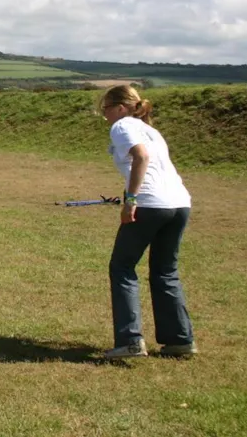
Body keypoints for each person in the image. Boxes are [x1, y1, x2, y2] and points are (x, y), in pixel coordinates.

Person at [100, 85, 197, 358]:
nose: (104, 114)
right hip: (179, 204)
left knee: (122, 267)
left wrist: (131, 199)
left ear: (120, 108)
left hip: (150, 204)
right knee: (166, 271)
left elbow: (140, 157)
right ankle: (180, 340)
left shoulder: (122, 126)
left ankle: (130, 341)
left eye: (106, 108)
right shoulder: (151, 130)